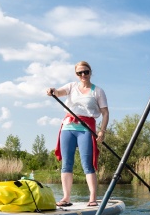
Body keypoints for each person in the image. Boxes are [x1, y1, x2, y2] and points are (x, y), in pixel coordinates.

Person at [46, 61, 109, 207]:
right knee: (66, 164)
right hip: (68, 127)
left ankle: (92, 198)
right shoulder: (71, 86)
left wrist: (102, 131)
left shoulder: (98, 91)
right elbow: (58, 92)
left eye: (86, 72)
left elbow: (105, 113)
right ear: (76, 74)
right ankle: (66, 198)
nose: (83, 75)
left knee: (87, 164)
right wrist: (51, 91)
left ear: (90, 72)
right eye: (79, 73)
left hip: (86, 129)